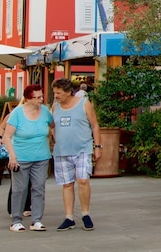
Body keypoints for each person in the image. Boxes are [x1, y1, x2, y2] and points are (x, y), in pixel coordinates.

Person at [51, 77, 102, 231]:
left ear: (68, 92)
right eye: (54, 93)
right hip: (62, 151)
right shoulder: (55, 107)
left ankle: (85, 214)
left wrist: (97, 146)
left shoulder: (84, 104)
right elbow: (52, 126)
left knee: (83, 180)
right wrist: (54, 139)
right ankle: (69, 217)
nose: (56, 96)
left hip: (82, 149)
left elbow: (95, 125)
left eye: (58, 93)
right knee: (67, 184)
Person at [1, 84, 53, 232]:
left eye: (41, 96)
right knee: (20, 189)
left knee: (39, 188)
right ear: (28, 99)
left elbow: (53, 126)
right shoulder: (17, 113)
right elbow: (7, 136)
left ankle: (36, 220)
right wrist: (12, 156)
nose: (41, 100)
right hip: (21, 157)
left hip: (41, 157)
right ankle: (16, 221)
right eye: (37, 97)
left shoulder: (45, 112)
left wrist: (54, 142)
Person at [0, 97, 33, 217]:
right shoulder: (14, 114)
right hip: (14, 150)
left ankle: (27, 206)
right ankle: (13, 208)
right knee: (17, 181)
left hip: (30, 151)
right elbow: (1, 127)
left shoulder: (35, 114)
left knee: (30, 181)